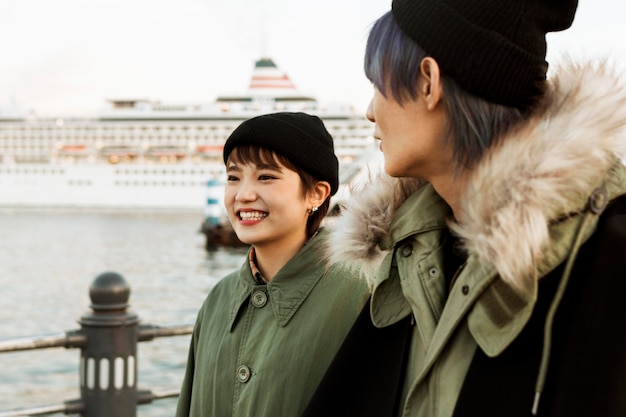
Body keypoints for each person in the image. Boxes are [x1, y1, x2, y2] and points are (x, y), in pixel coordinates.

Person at [318, 0, 626, 416]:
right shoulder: (411, 248)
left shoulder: (610, 256)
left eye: (377, 84)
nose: (371, 112)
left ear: (428, 81)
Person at [174, 112, 370, 417]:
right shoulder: (218, 299)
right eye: (233, 177)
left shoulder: (361, 293)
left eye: (266, 177)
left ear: (317, 194)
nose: (243, 194)